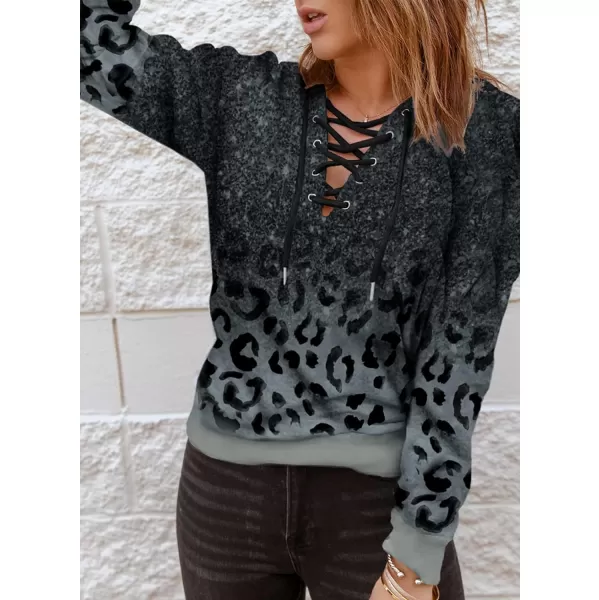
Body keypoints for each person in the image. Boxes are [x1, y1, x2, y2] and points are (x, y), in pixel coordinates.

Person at [80, 1, 519, 599]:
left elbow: (460, 350)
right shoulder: (243, 99)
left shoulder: (483, 132)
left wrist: (419, 543)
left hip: (375, 504)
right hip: (224, 495)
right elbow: (84, 44)